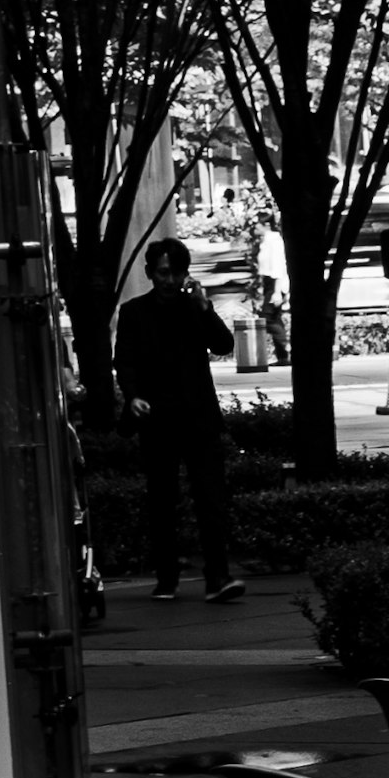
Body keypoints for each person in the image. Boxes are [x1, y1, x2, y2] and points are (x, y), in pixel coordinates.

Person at [112, 233, 243, 598]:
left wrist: (205, 307)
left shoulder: (193, 308)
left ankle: (218, 577)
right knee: (162, 500)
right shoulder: (134, 312)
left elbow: (223, 346)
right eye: (162, 272)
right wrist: (133, 395)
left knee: (211, 499)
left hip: (198, 417)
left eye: (176, 273)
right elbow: (124, 359)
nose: (169, 280)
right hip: (157, 418)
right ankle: (166, 578)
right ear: (150, 273)